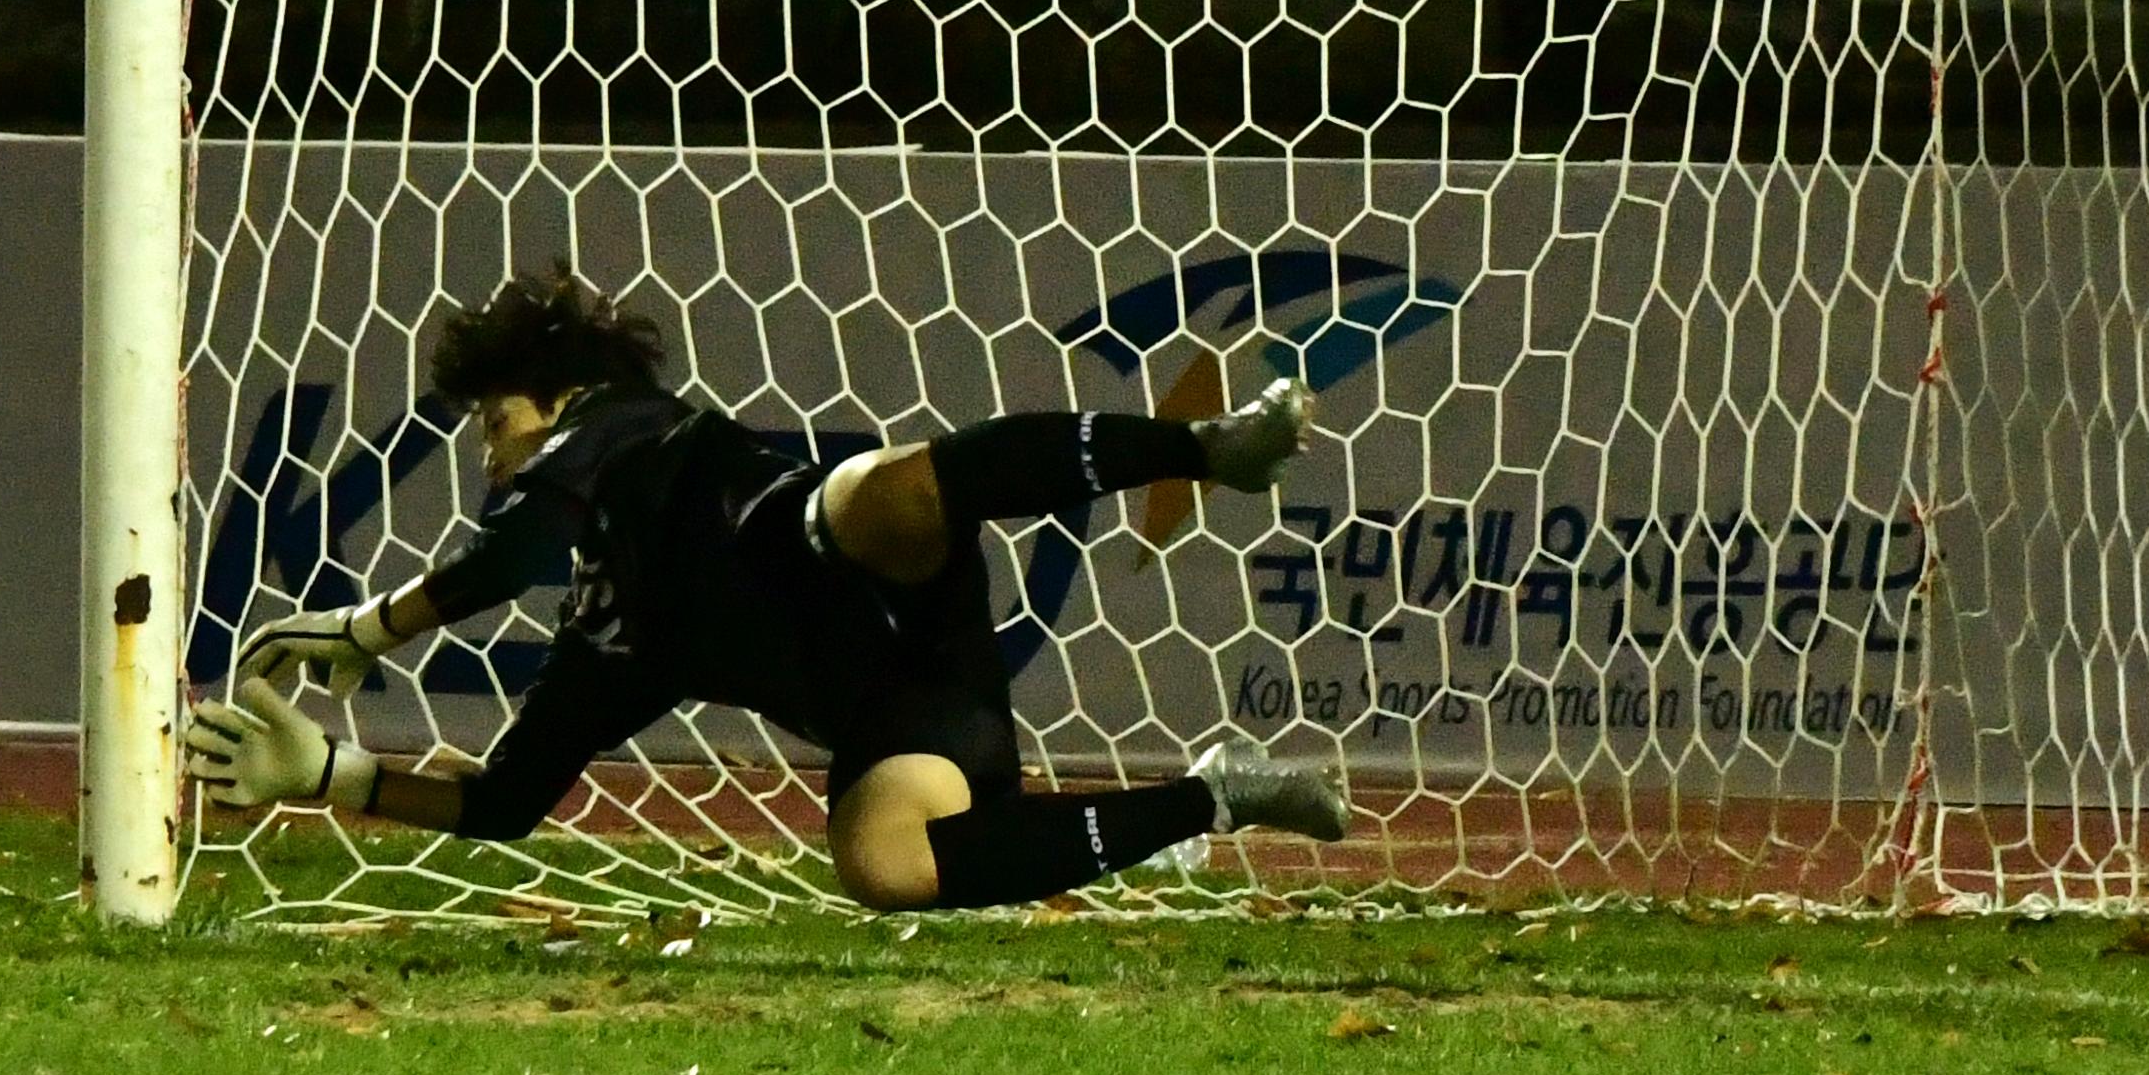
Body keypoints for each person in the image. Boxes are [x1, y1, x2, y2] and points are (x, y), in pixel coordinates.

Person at [179, 262, 1349, 908]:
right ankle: (1218, 798)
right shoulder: (612, 638)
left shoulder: (623, 431)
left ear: (559, 398)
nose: (487, 451)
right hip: (916, 708)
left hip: (868, 552)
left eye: (494, 420)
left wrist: (375, 626)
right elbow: (503, 804)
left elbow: (520, 548)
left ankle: (1203, 451)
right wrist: (323, 774)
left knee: (873, 496)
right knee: (884, 863)